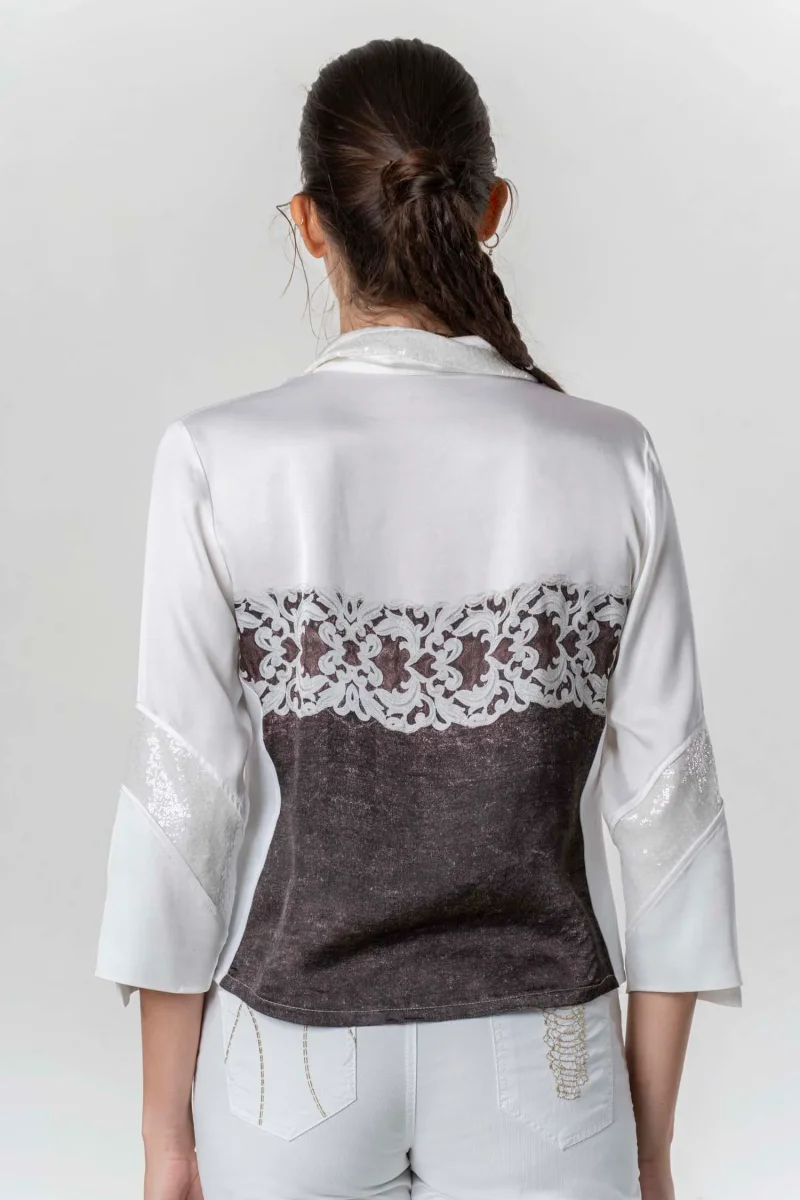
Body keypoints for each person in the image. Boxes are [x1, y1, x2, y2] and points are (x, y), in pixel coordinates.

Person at [96, 36, 742, 1200]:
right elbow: (668, 823)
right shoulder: (610, 458)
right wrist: (647, 1148)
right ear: (487, 209)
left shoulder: (216, 458)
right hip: (546, 1066)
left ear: (308, 222)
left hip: (286, 1068)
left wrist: (161, 1135)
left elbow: (182, 808)